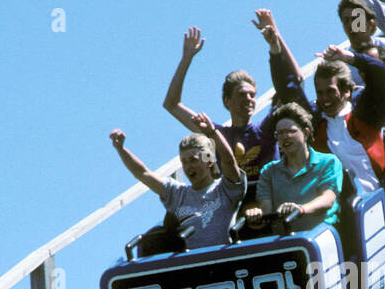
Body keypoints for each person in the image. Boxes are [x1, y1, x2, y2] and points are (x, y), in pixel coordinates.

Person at [259, 10, 385, 194]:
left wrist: (347, 57)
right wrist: (275, 49)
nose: (325, 99)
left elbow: (378, 72)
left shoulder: (367, 113)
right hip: (341, 206)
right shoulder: (316, 122)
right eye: (320, 93)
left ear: (347, 91)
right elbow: (288, 89)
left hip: (381, 196)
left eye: (331, 92)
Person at [108, 113, 245, 251]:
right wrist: (121, 150)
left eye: (193, 160)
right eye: (184, 162)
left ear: (209, 160)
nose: (188, 167)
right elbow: (142, 173)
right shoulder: (178, 194)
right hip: (189, 264)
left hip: (223, 259)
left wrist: (212, 132)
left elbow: (228, 160)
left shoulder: (225, 189)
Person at [161, 28, 275, 183]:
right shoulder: (217, 134)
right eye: (242, 94)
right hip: (233, 202)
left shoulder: (265, 129)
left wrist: (275, 44)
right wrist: (186, 58)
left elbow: (291, 87)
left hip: (266, 202)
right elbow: (172, 104)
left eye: (252, 95)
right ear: (227, 100)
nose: (249, 99)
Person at [246, 102, 345, 235]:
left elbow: (328, 199)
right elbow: (266, 211)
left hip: (322, 237)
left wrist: (300, 209)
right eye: (280, 133)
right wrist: (256, 215)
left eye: (290, 131)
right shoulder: (269, 171)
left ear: (306, 132)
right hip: (285, 241)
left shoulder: (329, 162)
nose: (285, 137)